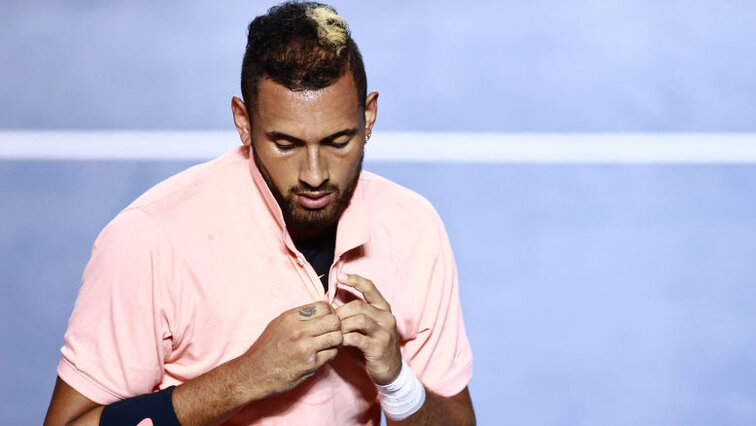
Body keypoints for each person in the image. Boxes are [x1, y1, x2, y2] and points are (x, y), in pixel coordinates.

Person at [44, 2, 474, 425]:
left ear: (369, 116)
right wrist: (243, 379)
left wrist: (398, 382)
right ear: (243, 122)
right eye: (285, 144)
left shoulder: (414, 227)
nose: (314, 175)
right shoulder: (150, 239)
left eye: (338, 141)